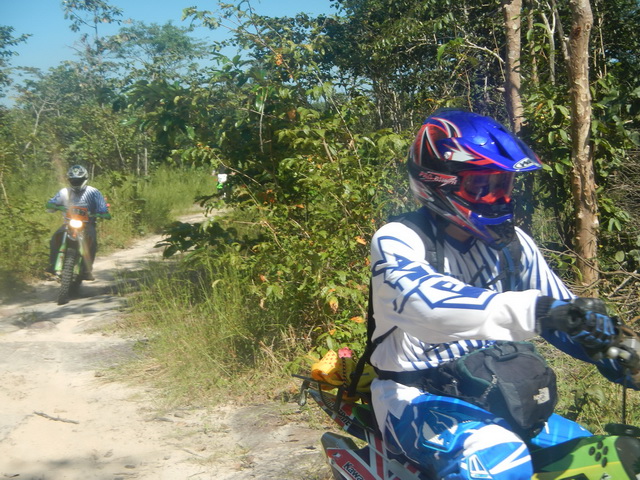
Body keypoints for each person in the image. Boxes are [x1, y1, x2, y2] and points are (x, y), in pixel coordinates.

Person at [368, 109, 638, 479]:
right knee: (498, 459)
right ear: (438, 181)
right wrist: (538, 311)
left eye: (503, 184)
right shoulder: (399, 239)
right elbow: (428, 306)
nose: (498, 198)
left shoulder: (513, 244)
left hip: (496, 392)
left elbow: (565, 314)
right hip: (413, 398)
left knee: (601, 459)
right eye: (481, 185)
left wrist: (614, 348)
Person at [46, 165, 111, 280]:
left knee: (92, 242)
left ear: (84, 179)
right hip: (68, 224)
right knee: (55, 238)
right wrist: (58, 207)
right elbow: (50, 204)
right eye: (73, 180)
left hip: (87, 224)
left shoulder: (94, 192)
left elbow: (103, 210)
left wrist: (100, 213)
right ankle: (52, 265)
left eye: (78, 180)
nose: (75, 182)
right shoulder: (64, 192)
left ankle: (87, 270)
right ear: (69, 180)